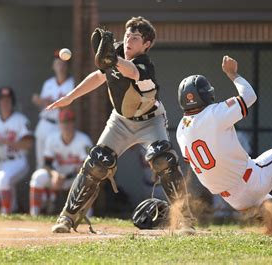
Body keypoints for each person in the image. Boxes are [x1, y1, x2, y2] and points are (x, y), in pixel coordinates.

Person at [46, 16, 192, 233]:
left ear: (146, 44)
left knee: (164, 160)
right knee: (96, 163)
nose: (128, 40)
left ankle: (184, 219)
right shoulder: (115, 53)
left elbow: (131, 72)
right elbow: (99, 76)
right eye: (127, 35)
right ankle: (67, 217)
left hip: (150, 120)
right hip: (121, 120)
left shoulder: (145, 64)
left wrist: (112, 59)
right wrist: (70, 97)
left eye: (135, 38)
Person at [176, 56, 272, 227]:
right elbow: (249, 96)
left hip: (233, 200)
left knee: (270, 205)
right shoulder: (215, 112)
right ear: (205, 94)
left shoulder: (180, 130)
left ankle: (264, 211)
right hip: (250, 180)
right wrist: (233, 74)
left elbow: (191, 161)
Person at [29, 109, 92, 216]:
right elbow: (46, 164)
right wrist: (55, 175)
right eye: (64, 122)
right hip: (56, 177)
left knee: (87, 180)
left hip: (74, 177)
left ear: (74, 123)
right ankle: (34, 214)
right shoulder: (52, 138)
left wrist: (66, 176)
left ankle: (87, 216)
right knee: (38, 176)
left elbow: (87, 167)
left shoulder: (83, 140)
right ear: (59, 124)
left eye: (69, 122)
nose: (67, 125)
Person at [0, 87, 34, 215]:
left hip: (18, 160)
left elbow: (29, 144)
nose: (5, 103)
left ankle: (5, 213)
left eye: (8, 100)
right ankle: (14, 209)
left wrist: (6, 142)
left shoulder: (20, 120)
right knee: (4, 181)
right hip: (1, 161)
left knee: (3, 179)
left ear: (12, 102)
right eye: (2, 100)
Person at [32, 52, 74, 169]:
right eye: (57, 63)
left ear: (67, 65)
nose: (60, 66)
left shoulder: (72, 83)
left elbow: (69, 107)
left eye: (62, 63)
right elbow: (43, 106)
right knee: (40, 163)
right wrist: (40, 102)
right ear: (53, 66)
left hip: (60, 125)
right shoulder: (48, 83)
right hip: (44, 123)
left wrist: (47, 102)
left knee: (55, 163)